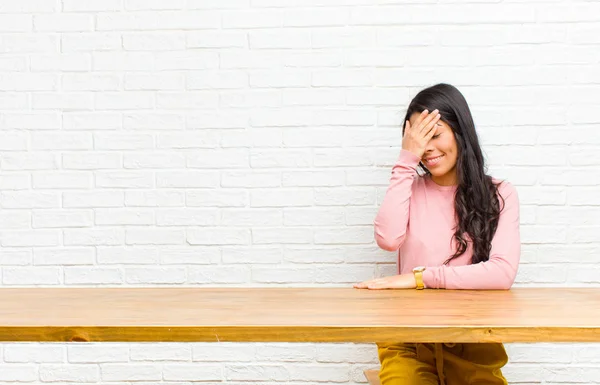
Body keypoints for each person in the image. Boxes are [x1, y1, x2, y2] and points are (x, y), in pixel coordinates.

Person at [353, 83, 521, 385]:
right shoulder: (408, 189)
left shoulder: (499, 194)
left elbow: (502, 273)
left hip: (473, 340)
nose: (427, 148)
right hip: (408, 338)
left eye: (435, 133)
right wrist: (406, 160)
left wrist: (420, 278)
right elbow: (387, 239)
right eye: (418, 139)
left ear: (459, 132)